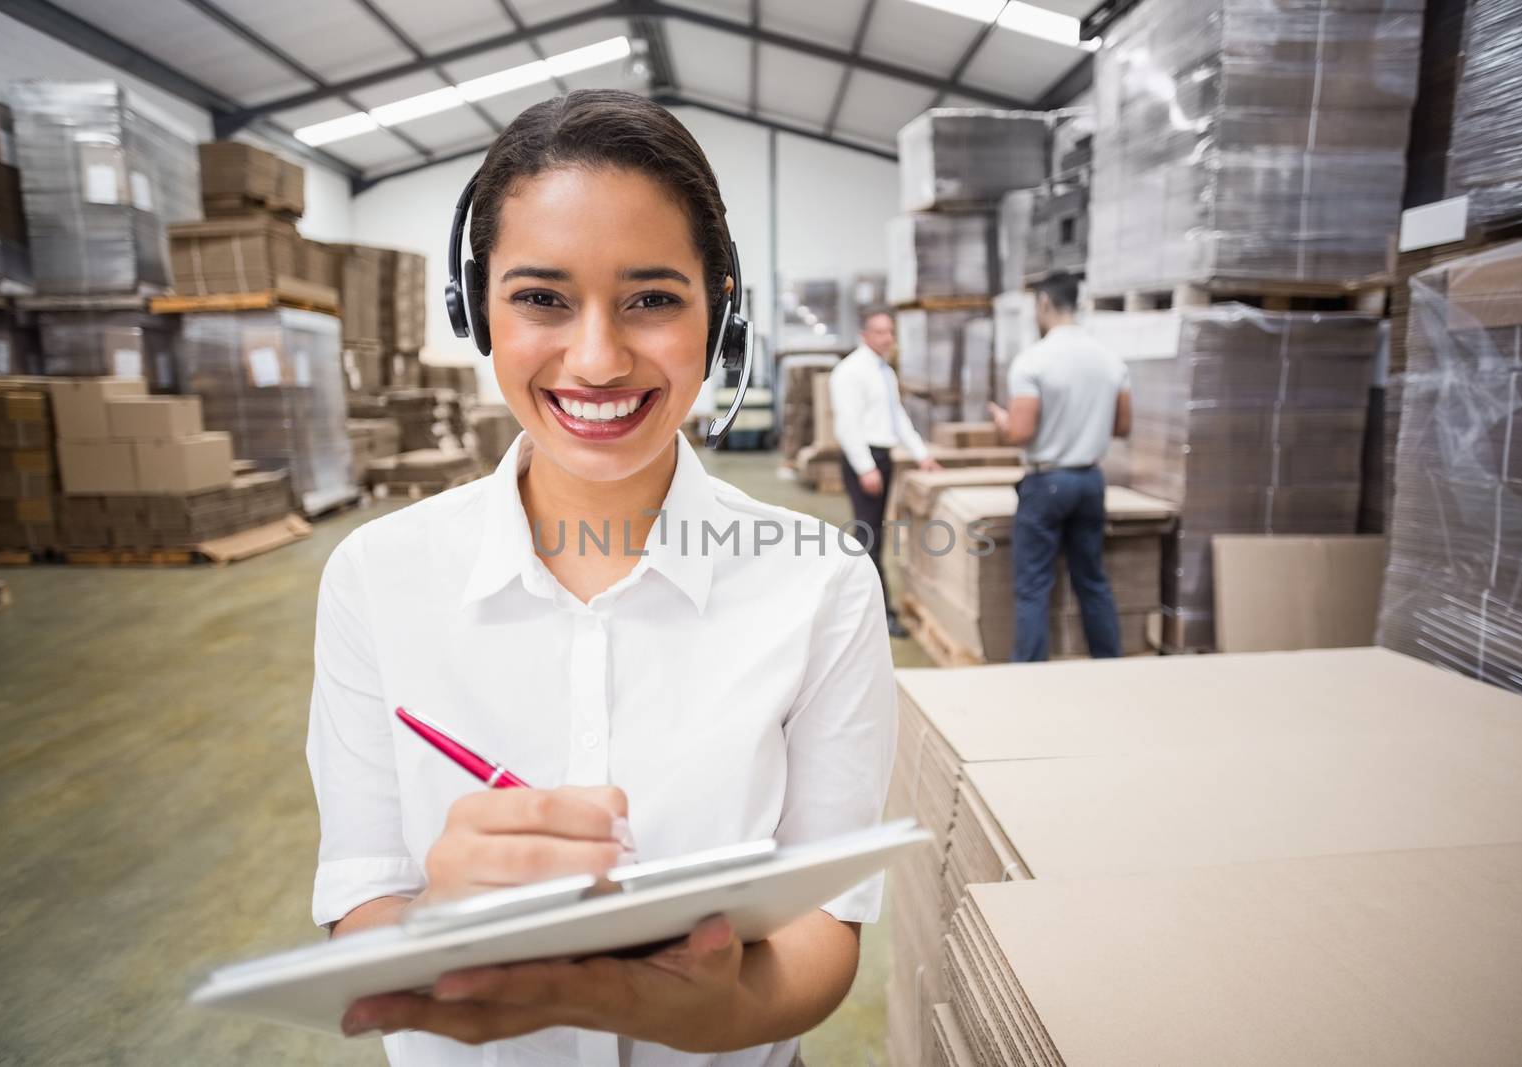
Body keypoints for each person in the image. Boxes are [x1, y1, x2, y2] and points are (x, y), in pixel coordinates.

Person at [308, 90, 896, 1066]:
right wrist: (425, 926)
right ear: (476, 311)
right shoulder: (377, 578)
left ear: (721, 321)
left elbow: (823, 919)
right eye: (541, 297)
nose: (595, 357)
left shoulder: (820, 583)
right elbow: (361, 893)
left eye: (652, 299)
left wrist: (710, 1013)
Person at [988, 271, 1132, 662]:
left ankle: (1030, 674)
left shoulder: (1033, 362)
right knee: (1092, 580)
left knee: (1034, 586)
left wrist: (1003, 422)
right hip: (1090, 479)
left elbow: (1021, 432)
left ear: (1044, 303)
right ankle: (1109, 662)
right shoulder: (1110, 360)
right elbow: (1122, 426)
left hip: (1048, 481)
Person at [828, 307, 942, 636]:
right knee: (868, 538)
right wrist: (865, 467)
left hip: (883, 458)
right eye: (879, 332)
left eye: (890, 332)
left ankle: (860, 604)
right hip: (865, 460)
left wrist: (922, 455)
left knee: (873, 534)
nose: (887, 338)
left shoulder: (885, 372)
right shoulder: (849, 372)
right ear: (864, 335)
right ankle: (878, 614)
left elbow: (898, 418)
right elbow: (847, 425)